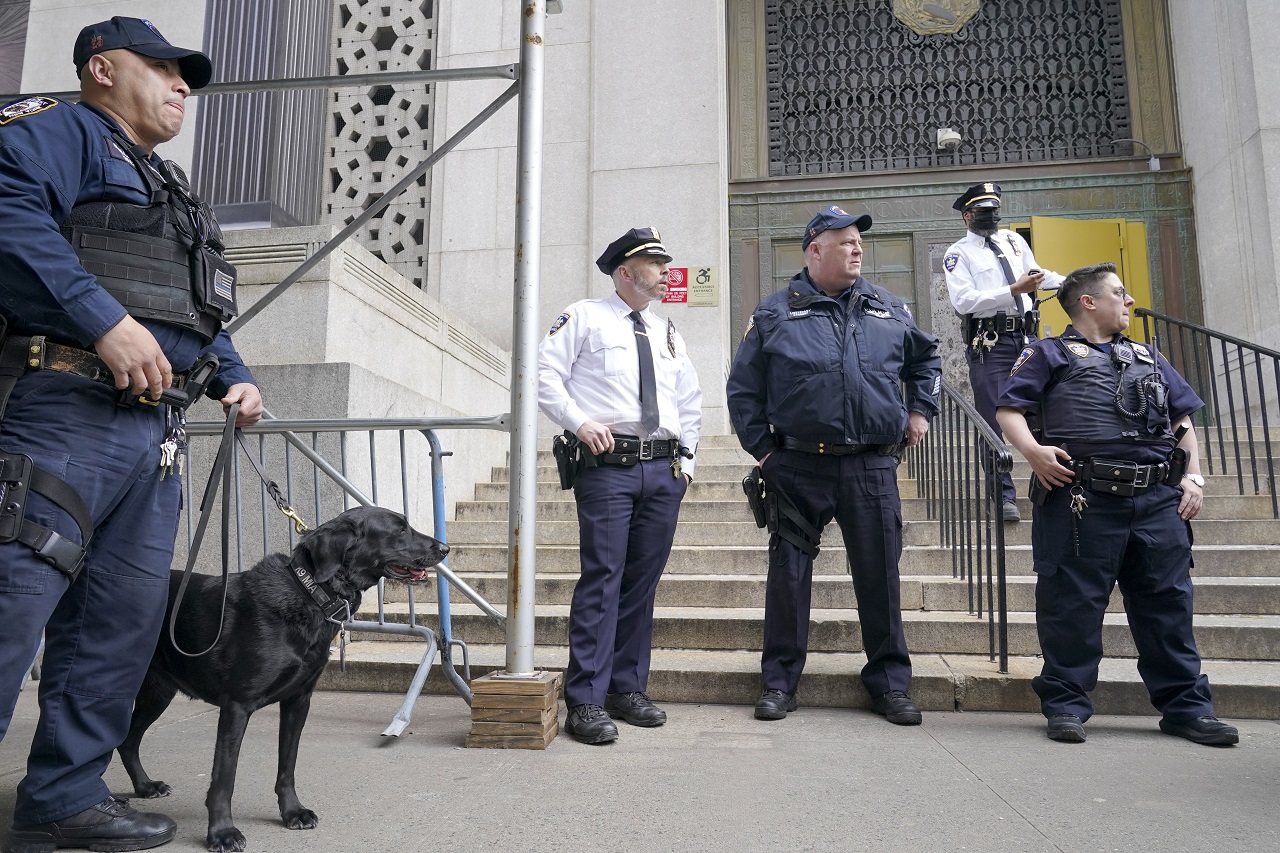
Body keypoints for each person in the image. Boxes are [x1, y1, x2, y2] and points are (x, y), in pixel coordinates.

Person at [0, 16, 264, 851]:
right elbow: (9, 217)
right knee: (13, 605)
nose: (183, 84)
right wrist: (101, 320)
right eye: (164, 67)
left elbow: (195, 304)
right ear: (102, 68)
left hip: (156, 436)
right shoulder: (57, 129)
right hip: (67, 407)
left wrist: (234, 372)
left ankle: (63, 799)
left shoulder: (173, 186)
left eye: (187, 74)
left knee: (117, 621)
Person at [995, 262, 1238, 746]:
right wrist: (1033, 453)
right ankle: (1066, 705)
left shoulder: (1149, 356)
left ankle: (1187, 709)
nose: (1128, 301)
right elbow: (1009, 409)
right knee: (1071, 607)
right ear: (1088, 302)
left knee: (1168, 606)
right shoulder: (1048, 353)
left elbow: (1182, 421)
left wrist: (1193, 476)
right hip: (1081, 499)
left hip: (1156, 501)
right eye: (1118, 293)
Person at [726, 205, 941, 726]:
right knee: (788, 577)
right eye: (844, 241)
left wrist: (920, 409)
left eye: (859, 243)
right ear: (814, 249)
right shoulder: (775, 312)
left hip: (871, 466)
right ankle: (779, 682)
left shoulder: (889, 308)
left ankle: (890, 685)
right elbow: (743, 390)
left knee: (880, 577)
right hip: (798, 464)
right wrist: (766, 453)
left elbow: (925, 361)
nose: (857, 249)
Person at [537, 227, 702, 745]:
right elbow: (543, 374)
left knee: (640, 586)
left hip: (663, 470)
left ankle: (626, 688)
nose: (663, 270)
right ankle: (585, 699)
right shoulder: (584, 316)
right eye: (654, 262)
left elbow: (689, 399)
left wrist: (687, 465)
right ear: (625, 271)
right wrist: (578, 421)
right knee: (603, 579)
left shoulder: (667, 330)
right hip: (609, 466)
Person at [943, 182, 1063, 522]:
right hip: (990, 343)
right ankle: (1003, 494)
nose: (991, 216)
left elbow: (1037, 276)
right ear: (967, 216)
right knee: (992, 419)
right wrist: (1012, 289)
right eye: (983, 212)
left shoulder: (1013, 240)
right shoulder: (959, 254)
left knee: (1045, 411)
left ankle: (1052, 482)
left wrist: (1080, 282)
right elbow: (963, 301)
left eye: (994, 210)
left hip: (1026, 339)